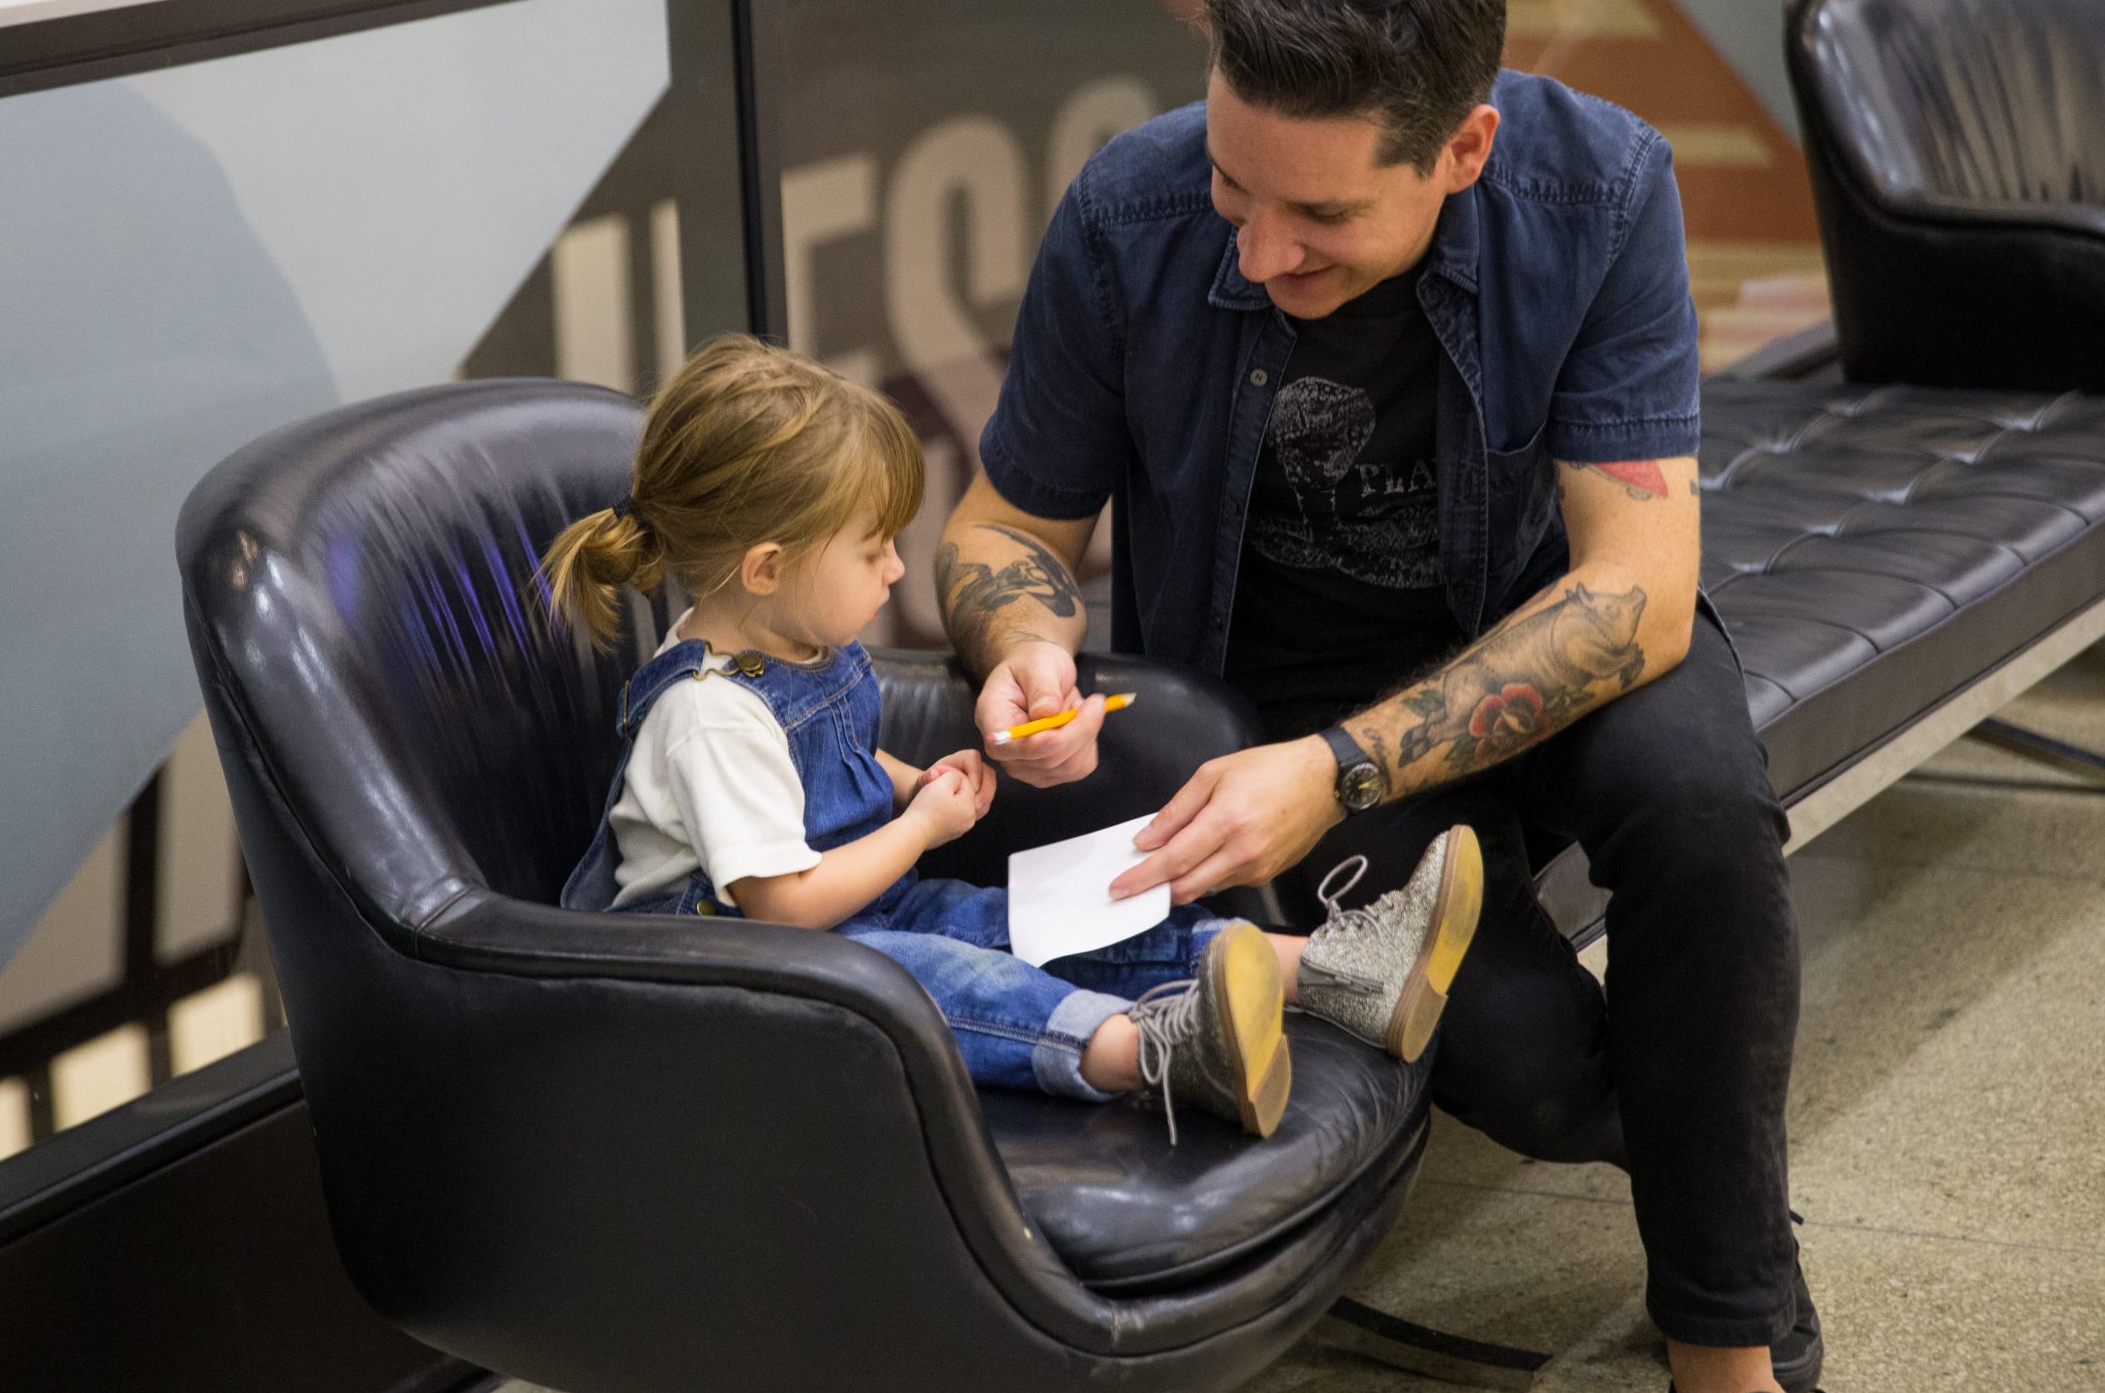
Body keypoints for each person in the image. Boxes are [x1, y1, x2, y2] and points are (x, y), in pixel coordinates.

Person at [937, 0, 1819, 1393]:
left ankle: (1728, 1354)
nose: (1264, 248)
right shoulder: (1130, 212)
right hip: (1281, 698)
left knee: (1707, 816)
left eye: (1324, 216)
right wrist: (1022, 637)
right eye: (1236, 185)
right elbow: (1004, 525)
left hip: (1561, 645)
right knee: (1538, 1074)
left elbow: (1640, 595)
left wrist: (1338, 776)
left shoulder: (1599, 190)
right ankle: (1720, 1176)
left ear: (1462, 151)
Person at [545, 335, 1483, 1141]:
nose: (897, 567)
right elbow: (782, 905)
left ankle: (1327, 972)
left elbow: (811, 768)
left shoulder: (787, 639)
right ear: (766, 566)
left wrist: (911, 783)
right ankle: (1154, 1053)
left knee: (1031, 920)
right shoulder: (706, 711)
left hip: (853, 915)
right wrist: (918, 831)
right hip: (742, 978)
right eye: (872, 549)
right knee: (945, 981)